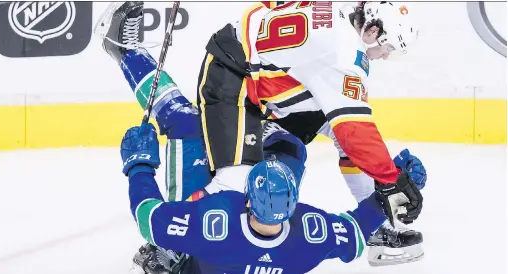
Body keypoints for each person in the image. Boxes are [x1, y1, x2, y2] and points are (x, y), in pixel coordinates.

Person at [92, 2, 426, 272]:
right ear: (371, 29)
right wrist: (390, 179)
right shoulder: (344, 56)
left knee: (295, 148)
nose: (384, 57)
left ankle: (378, 229)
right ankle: (171, 243)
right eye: (386, 48)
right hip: (235, 77)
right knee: (231, 178)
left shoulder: (333, 11)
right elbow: (356, 129)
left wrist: (383, 194)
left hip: (272, 84)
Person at [119, 120, 423, 274]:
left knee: (194, 148)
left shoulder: (215, 220)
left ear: (247, 199)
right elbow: (357, 229)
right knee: (292, 149)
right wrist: (400, 186)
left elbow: (147, 216)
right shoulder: (310, 232)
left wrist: (139, 164)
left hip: (202, 261)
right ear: (292, 204)